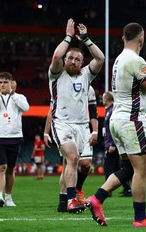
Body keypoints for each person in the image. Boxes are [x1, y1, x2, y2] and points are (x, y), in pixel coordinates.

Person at [86, 22, 146, 227]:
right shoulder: (136, 60)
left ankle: (97, 199)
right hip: (132, 119)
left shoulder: (119, 59)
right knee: (143, 169)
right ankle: (140, 218)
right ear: (141, 39)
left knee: (129, 169)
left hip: (117, 119)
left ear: (123, 38)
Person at [46, 18, 104, 213]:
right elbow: (56, 55)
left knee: (85, 164)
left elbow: (101, 59)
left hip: (82, 126)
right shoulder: (56, 74)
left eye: (77, 59)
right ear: (65, 60)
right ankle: (72, 199)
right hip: (61, 123)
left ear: (82, 63)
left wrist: (86, 39)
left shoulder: (86, 74)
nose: (73, 61)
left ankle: (65, 200)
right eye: (70, 58)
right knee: (72, 157)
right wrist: (69, 37)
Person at [0, 71, 30, 207]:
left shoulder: (19, 97)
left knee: (10, 169)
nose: (2, 85)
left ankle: (8, 198)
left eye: (5, 82)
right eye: (0, 82)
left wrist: (13, 94)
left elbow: (26, 108)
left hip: (14, 137)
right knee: (0, 167)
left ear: (12, 83)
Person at [102, 91, 132, 197]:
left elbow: (112, 130)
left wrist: (112, 144)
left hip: (112, 146)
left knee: (109, 168)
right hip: (110, 144)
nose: (102, 100)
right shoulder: (109, 111)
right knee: (117, 168)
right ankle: (127, 188)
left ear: (106, 99)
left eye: (103, 98)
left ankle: (106, 191)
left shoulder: (112, 111)